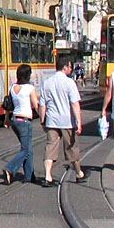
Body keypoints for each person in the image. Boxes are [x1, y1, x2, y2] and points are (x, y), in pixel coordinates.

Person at [39, 55, 84, 186]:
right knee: (71, 147)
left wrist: (42, 120)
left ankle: (48, 176)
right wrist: (79, 122)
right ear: (65, 67)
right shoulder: (69, 83)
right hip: (67, 121)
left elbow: (43, 105)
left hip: (51, 121)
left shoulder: (47, 82)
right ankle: (78, 173)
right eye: (70, 67)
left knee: (50, 147)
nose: (71, 69)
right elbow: (75, 104)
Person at [3, 64, 39, 185]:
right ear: (28, 75)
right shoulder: (30, 88)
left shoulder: (12, 88)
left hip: (14, 120)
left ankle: (29, 176)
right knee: (25, 150)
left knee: (28, 148)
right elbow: (36, 105)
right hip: (25, 121)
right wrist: (44, 118)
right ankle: (10, 168)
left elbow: (8, 105)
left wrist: (6, 119)